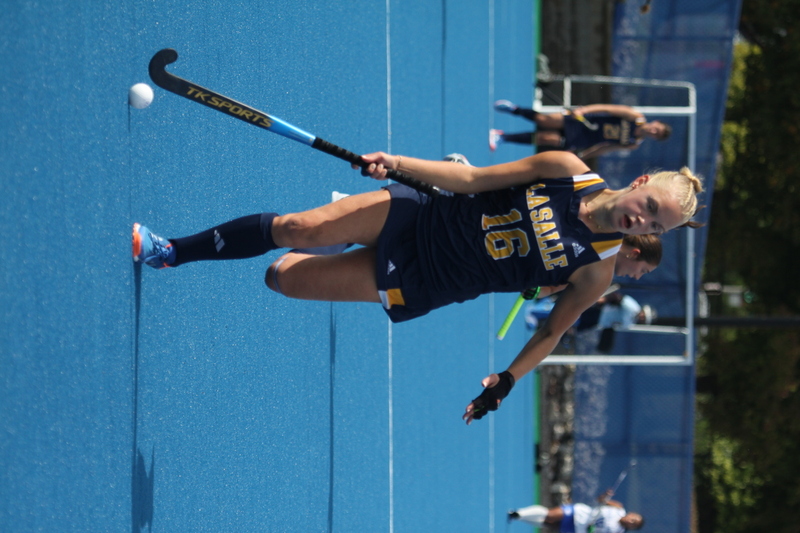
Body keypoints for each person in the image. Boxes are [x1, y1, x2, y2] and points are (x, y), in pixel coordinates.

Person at [131, 150, 702, 424]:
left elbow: (552, 332)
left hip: (430, 279)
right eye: (650, 207)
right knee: (296, 227)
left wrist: (506, 381)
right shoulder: (565, 168)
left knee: (281, 277)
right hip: (423, 216)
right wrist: (398, 162)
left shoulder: (596, 271)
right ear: (641, 181)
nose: (643, 221)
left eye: (656, 227)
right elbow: (473, 178)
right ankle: (173, 251)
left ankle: (339, 241)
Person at [525, 234, 662, 331]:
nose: (637, 277)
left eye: (645, 319)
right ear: (634, 254)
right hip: (595, 310)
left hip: (596, 321)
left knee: (567, 320)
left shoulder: (629, 324)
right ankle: (537, 310)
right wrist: (601, 300)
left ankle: (539, 313)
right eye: (643, 270)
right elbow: (616, 298)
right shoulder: (632, 306)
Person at [489, 100, 671, 159]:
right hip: (583, 121)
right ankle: (515, 109)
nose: (654, 131)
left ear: (655, 138)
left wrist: (583, 155)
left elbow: (605, 148)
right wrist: (584, 110)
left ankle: (502, 137)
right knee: (544, 120)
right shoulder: (635, 117)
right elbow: (606, 108)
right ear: (655, 122)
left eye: (657, 134)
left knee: (545, 139)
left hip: (584, 139)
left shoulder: (633, 143)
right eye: (657, 128)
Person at [508, 494, 645, 532]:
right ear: (631, 514)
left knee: (547, 524)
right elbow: (600, 500)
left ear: (631, 528)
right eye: (633, 519)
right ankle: (519, 513)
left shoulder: (617, 531)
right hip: (579, 512)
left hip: (577, 529)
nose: (631, 521)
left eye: (633, 524)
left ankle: (520, 518)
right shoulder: (618, 508)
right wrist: (606, 496)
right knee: (550, 515)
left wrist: (591, 530)